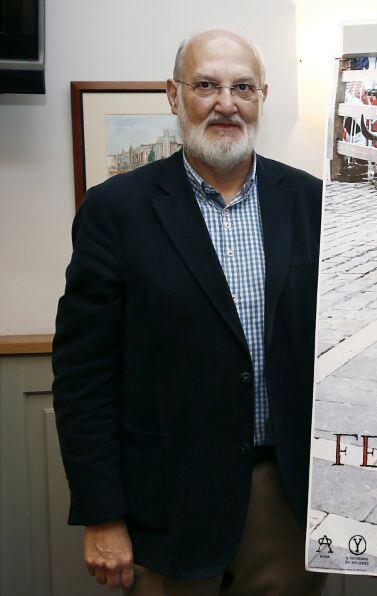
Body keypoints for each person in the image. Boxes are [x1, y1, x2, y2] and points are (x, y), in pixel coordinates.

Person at [52, 30, 325, 595]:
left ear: (262, 97)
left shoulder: (312, 203)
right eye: (207, 85)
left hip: (285, 497)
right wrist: (102, 516)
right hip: (164, 506)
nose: (227, 103)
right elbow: (84, 379)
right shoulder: (116, 211)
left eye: (242, 87)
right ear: (174, 96)